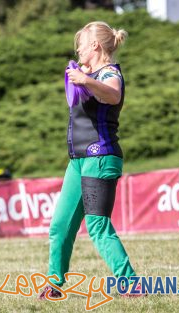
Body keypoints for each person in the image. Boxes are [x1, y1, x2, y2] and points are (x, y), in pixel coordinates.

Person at [40, 21, 145, 299]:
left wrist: (86, 80)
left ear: (95, 46)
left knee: (97, 226)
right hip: (77, 161)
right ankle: (53, 285)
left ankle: (131, 284)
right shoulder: (84, 72)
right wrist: (81, 77)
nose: (78, 49)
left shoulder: (110, 72)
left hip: (101, 156)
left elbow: (113, 94)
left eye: (82, 44)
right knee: (60, 226)